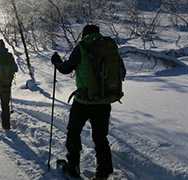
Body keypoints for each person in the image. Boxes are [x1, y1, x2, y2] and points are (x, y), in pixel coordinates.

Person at [51, 25, 115, 180]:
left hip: (83, 101)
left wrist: (56, 61)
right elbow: (121, 71)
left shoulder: (82, 47)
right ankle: (103, 172)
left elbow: (66, 68)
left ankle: (73, 167)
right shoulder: (110, 47)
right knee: (100, 137)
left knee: (74, 132)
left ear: (84, 34)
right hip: (104, 101)